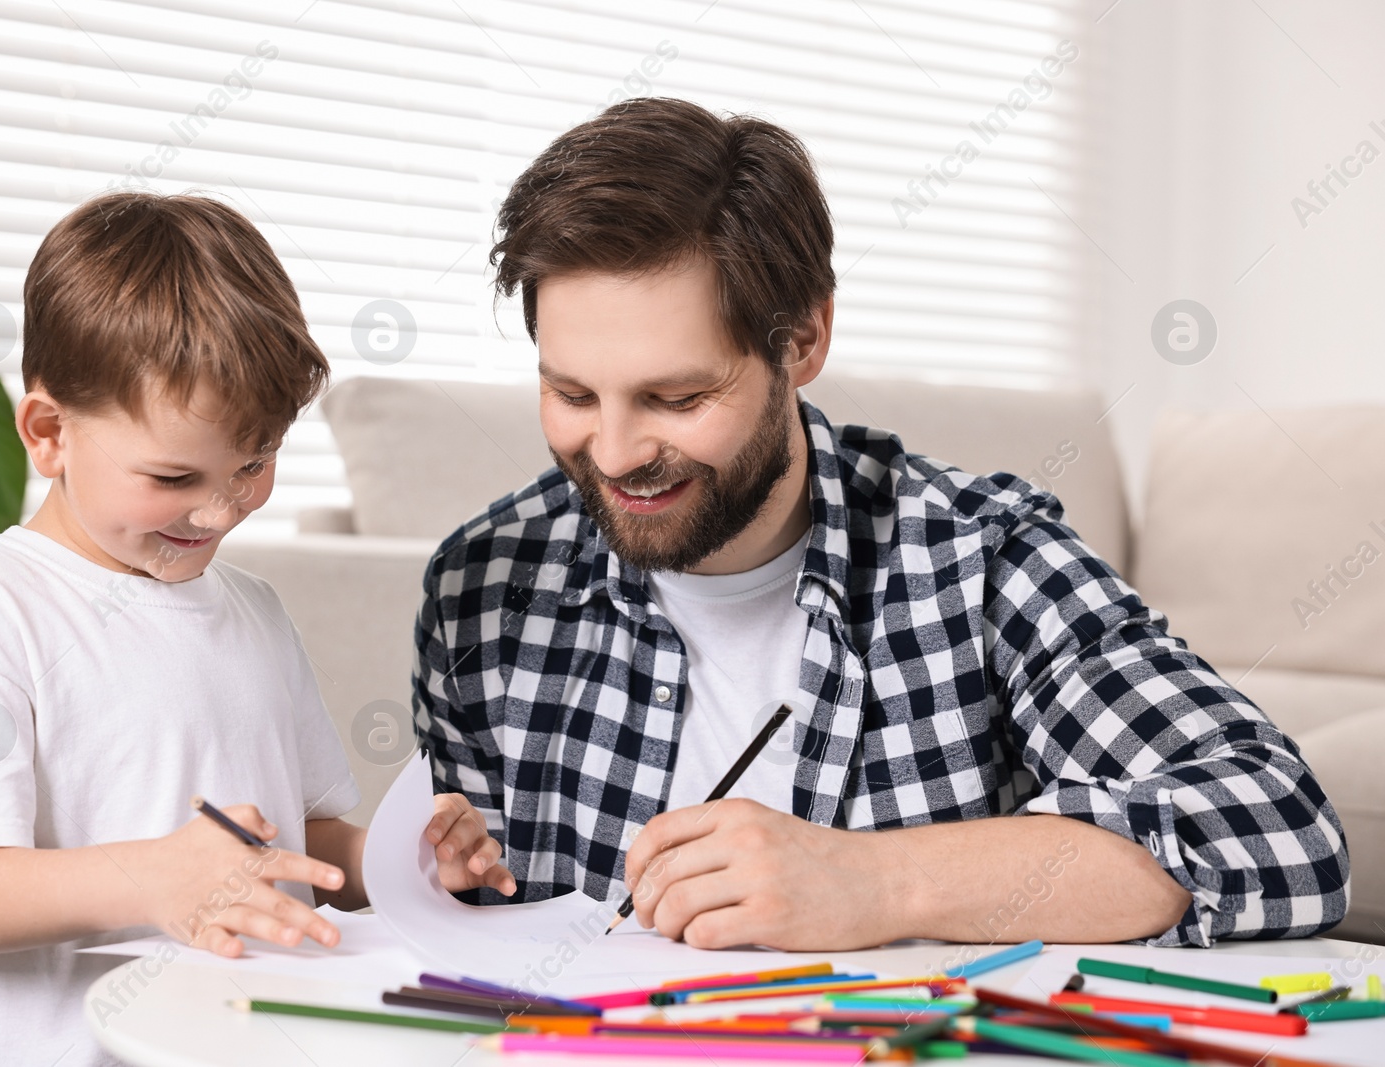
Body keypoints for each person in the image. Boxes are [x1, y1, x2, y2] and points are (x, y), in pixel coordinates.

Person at [412, 97, 1348, 952]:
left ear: (804, 340)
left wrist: (875, 881)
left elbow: (1279, 826)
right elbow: (459, 916)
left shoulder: (981, 559)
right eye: (571, 392)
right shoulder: (482, 591)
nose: (613, 454)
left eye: (678, 395)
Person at [0, 192, 514, 1067]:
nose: (220, 510)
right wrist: (152, 877)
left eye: (254, 464)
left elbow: (300, 840)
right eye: (176, 475)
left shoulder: (253, 609)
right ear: (50, 432)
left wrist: (403, 865)